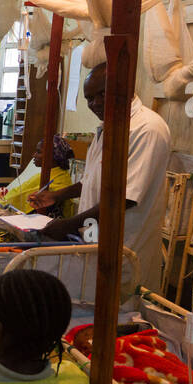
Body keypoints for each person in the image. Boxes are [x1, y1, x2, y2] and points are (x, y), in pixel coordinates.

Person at [31, 61, 171, 291]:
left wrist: (67, 226)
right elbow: (93, 180)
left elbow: (124, 199)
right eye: (89, 98)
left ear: (124, 87)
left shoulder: (147, 129)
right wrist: (56, 196)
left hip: (126, 245)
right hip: (93, 239)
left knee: (122, 313)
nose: (95, 103)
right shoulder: (108, 126)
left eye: (102, 94)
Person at [0, 134, 74, 215]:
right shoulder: (50, 173)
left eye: (38, 152)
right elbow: (19, 190)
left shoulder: (56, 182)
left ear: (53, 156)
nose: (34, 155)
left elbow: (21, 196)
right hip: (1, 202)